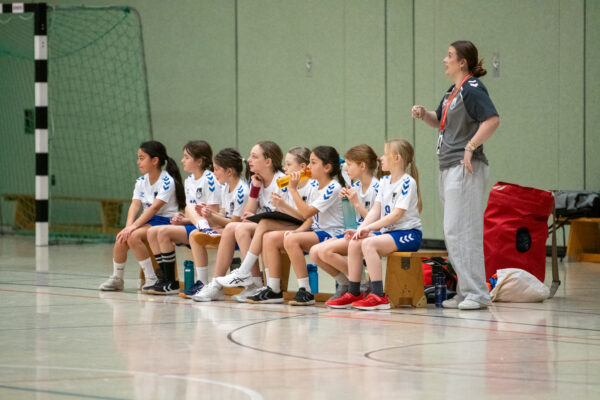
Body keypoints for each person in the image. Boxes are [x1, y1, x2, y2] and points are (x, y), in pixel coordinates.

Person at [411, 40, 499, 310]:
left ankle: (477, 294)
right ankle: (465, 291)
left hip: (464, 168)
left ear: (462, 62)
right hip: (448, 167)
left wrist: (470, 147)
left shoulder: (472, 88)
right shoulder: (453, 91)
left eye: (449, 55)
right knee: (454, 232)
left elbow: (492, 120)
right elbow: (439, 119)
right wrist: (424, 114)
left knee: (463, 231)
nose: (444, 59)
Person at [327, 139, 422, 310]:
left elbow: (397, 214)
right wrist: (361, 229)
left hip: (408, 233)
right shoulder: (384, 181)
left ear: (397, 158)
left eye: (385, 154)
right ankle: (354, 292)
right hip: (389, 234)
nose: (381, 158)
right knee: (355, 241)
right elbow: (376, 210)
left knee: (369, 244)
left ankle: (378, 295)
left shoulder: (407, 182)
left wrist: (370, 228)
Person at [215, 147, 318, 303]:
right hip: (290, 224)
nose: (285, 168)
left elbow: (306, 217)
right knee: (261, 233)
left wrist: (283, 206)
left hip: (306, 227)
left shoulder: (297, 184)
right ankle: (269, 288)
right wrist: (257, 192)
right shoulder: (287, 183)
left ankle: (245, 271)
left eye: (288, 164)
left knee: (262, 224)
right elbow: (249, 214)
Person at [192, 141, 289, 302]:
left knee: (239, 228)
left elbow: (285, 214)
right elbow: (248, 214)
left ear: (268, 161)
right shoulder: (256, 180)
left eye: (254, 156)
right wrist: (255, 189)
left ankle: (252, 280)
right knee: (233, 227)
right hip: (264, 225)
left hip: (284, 226)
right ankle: (217, 284)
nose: (249, 160)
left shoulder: (282, 181)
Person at [99, 140, 185, 291]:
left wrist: (133, 227)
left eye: (141, 158)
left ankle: (151, 278)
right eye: (138, 158)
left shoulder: (167, 181)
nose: (138, 162)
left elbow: (153, 209)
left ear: (155, 160)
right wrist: (128, 227)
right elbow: (135, 205)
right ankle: (117, 278)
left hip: (166, 221)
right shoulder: (141, 181)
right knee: (122, 238)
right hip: (149, 220)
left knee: (133, 236)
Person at [144, 140, 221, 295]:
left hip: (212, 227)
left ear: (199, 161)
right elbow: (191, 214)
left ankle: (171, 283)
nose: (182, 160)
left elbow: (213, 214)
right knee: (152, 232)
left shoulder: (210, 179)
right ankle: (165, 280)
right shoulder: (188, 181)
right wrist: (181, 219)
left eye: (186, 157)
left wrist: (190, 217)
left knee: (164, 232)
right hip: (195, 224)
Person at [309, 144, 381, 301]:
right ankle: (345, 284)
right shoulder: (356, 186)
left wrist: (356, 204)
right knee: (314, 252)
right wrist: (346, 201)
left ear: (362, 166)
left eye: (349, 164)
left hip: (373, 234)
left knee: (326, 251)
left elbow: (377, 221)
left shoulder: (378, 187)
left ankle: (362, 285)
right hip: (356, 232)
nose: (346, 168)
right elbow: (352, 219)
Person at [180, 148, 250, 299]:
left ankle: (216, 285)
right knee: (194, 234)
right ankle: (203, 283)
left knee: (200, 230)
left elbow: (235, 223)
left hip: (238, 233)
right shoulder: (226, 188)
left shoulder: (242, 191)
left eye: (217, 169)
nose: (214, 173)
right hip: (227, 228)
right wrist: (207, 214)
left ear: (229, 172)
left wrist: (212, 216)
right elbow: (224, 216)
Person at [282, 146, 346, 306]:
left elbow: (306, 213)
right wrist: (298, 231)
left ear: (327, 167)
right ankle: (345, 283)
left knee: (292, 241)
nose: (308, 167)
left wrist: (292, 189)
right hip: (320, 231)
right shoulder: (315, 186)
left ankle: (305, 290)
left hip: (333, 233)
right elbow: (311, 219)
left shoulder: (333, 187)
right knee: (293, 240)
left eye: (313, 162)